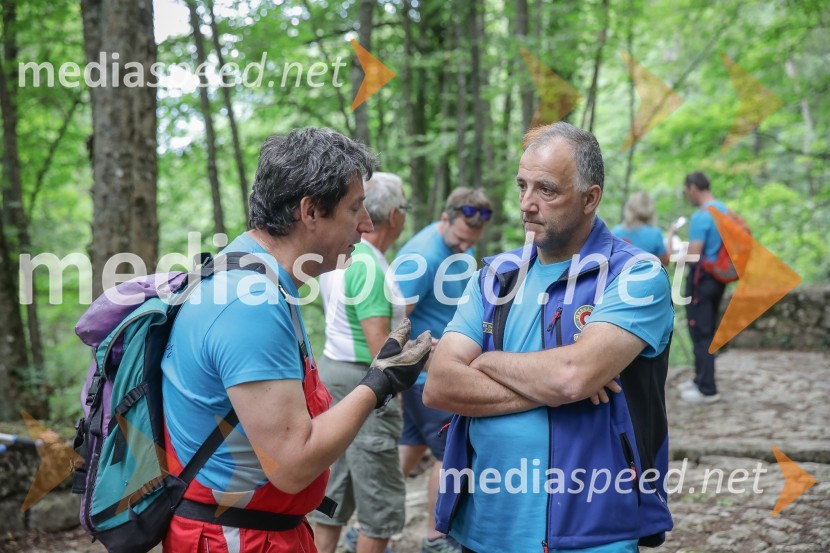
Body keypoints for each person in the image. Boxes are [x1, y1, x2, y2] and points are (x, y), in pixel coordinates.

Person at [160, 128, 431, 553]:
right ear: (310, 212)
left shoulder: (254, 275)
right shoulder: (249, 305)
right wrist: (379, 383)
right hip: (237, 538)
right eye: (355, 208)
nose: (366, 224)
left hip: (262, 528)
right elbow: (292, 464)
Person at [425, 121, 674, 553]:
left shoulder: (636, 275)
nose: (527, 204)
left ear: (590, 197)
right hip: (482, 529)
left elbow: (572, 378)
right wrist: (554, 383)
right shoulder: (495, 275)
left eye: (547, 190)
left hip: (591, 530)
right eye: (522, 186)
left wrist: (485, 361)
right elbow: (440, 385)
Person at [311, 172, 411, 553]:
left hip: (334, 373)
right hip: (365, 380)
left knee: (335, 491)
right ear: (396, 215)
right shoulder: (369, 265)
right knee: (380, 505)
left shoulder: (348, 255)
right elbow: (381, 348)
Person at [392, 188, 492, 553]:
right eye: (462, 240)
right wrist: (411, 359)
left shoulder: (456, 246)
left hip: (436, 369)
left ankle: (368, 524)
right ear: (446, 218)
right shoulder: (422, 256)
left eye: (472, 243)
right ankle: (437, 537)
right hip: (425, 375)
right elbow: (395, 316)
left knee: (413, 444)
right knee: (447, 452)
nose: (466, 248)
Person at [672, 171, 727, 403]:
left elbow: (693, 256)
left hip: (701, 281)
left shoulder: (702, 216)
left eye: (687, 192)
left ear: (693, 188)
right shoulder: (724, 209)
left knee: (701, 333)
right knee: (707, 329)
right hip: (718, 280)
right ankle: (699, 379)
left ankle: (707, 389)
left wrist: (676, 249)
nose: (688, 196)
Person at [612, 191, 670, 266]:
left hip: (620, 277)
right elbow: (665, 262)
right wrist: (671, 233)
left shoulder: (615, 232)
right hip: (647, 276)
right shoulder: (655, 233)